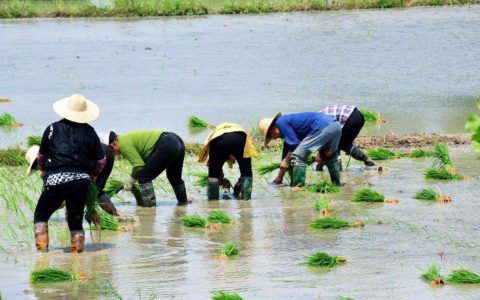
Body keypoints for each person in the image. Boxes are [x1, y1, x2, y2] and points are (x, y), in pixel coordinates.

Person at [33, 94, 106, 253]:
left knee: (40, 215)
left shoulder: (52, 128)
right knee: (75, 221)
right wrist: (92, 176)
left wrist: (44, 172)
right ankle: (77, 255)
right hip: (81, 182)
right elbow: (101, 161)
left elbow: (42, 156)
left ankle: (42, 253)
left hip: (56, 179)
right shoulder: (90, 132)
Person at [259, 112, 342, 187]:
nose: (274, 138)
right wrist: (279, 177)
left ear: (273, 127)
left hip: (322, 127)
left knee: (298, 157)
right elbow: (286, 156)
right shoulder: (286, 128)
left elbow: (294, 146)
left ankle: (298, 188)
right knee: (330, 158)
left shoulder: (280, 123)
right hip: (336, 126)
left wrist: (287, 160)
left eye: (270, 135)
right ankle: (337, 185)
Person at [110, 130, 188, 207]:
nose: (112, 152)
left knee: (144, 178)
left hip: (167, 143)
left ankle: (150, 208)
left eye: (111, 148)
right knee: (174, 177)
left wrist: (130, 182)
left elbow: (138, 165)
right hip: (176, 140)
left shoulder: (123, 144)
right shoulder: (124, 138)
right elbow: (143, 164)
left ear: (114, 142)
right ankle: (183, 203)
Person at [198, 123, 258, 200]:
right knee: (246, 172)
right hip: (241, 138)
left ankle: (213, 201)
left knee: (213, 174)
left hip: (219, 140)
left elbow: (211, 163)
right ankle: (246, 200)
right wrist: (240, 181)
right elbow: (245, 165)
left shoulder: (214, 134)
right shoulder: (238, 129)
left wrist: (218, 174)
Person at [95, 130, 119, 216]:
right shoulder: (89, 130)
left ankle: (71, 220)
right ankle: (114, 215)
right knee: (97, 190)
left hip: (100, 154)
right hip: (108, 154)